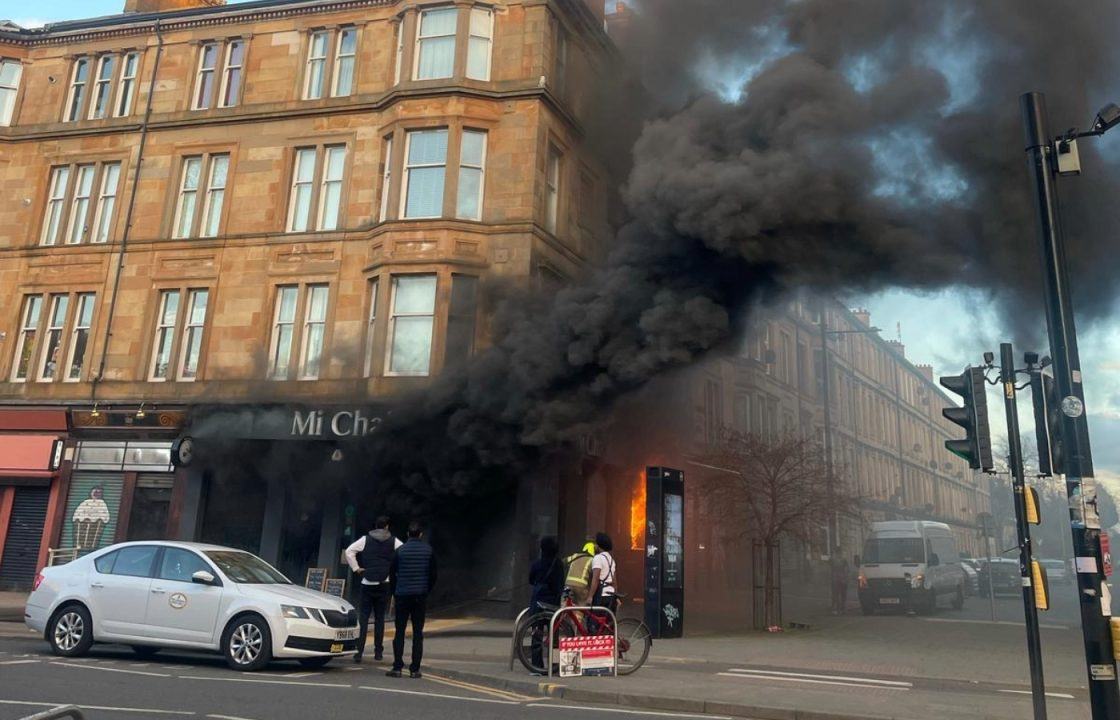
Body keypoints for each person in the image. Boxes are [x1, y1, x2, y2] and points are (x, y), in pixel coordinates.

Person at [345, 516, 402, 663]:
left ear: (375, 526)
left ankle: (359, 652)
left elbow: (349, 551)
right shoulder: (393, 541)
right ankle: (378, 652)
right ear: (387, 527)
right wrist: (395, 570)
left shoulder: (365, 539)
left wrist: (357, 568)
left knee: (363, 618)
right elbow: (403, 553)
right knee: (380, 619)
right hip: (384, 582)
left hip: (367, 582)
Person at [386, 521, 437, 679]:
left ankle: (397, 667)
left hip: (402, 595)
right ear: (420, 534)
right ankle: (415, 669)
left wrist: (394, 592)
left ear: (407, 534)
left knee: (399, 631)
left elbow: (392, 573)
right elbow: (433, 575)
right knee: (417, 633)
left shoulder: (400, 551)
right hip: (419, 596)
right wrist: (425, 591)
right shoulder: (429, 551)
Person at [528, 536, 565, 672]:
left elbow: (531, 580)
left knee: (537, 634)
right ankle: (553, 665)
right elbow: (560, 584)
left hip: (537, 602)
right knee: (554, 636)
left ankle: (537, 667)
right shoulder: (559, 564)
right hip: (553, 603)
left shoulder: (537, 563)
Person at [586, 532, 618, 613]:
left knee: (594, 623)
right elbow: (614, 581)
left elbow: (595, 579)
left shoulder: (598, 558)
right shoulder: (611, 560)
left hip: (601, 596)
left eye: (595, 544)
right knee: (607, 623)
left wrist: (590, 596)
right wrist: (616, 596)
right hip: (611, 596)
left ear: (599, 545)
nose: (594, 546)